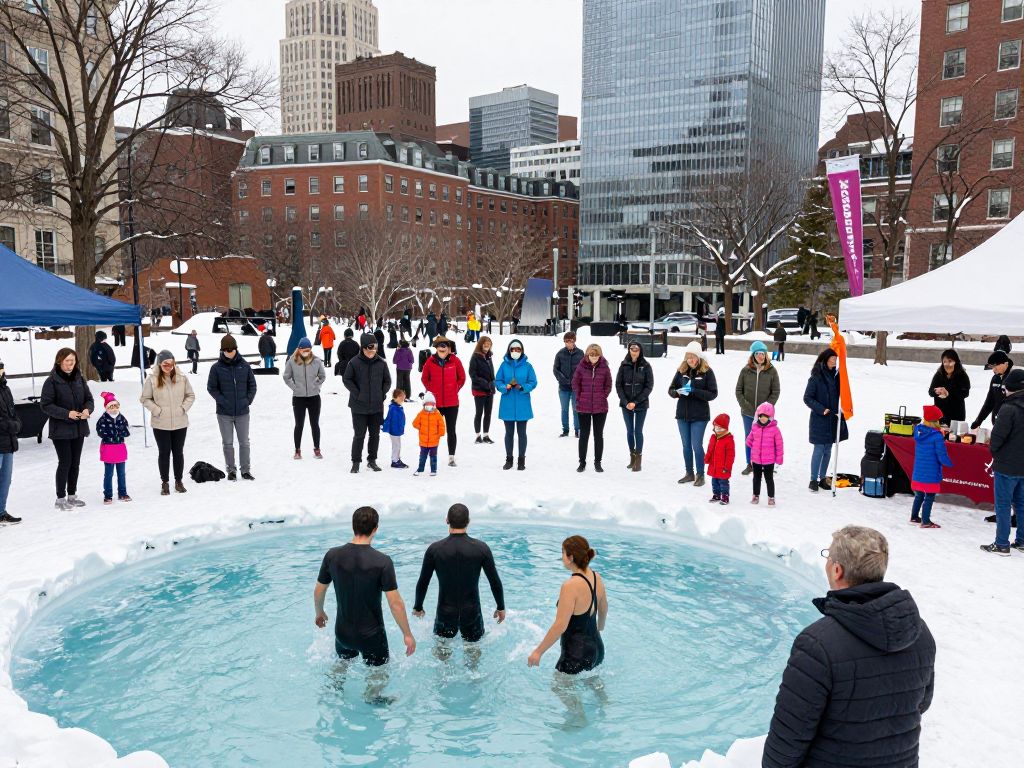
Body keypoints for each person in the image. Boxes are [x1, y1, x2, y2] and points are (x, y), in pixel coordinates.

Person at [763, 526, 935, 768]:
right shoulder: (920, 631)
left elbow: (789, 736)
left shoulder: (816, 644)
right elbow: (921, 703)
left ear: (837, 569)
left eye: (828, 556)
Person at [314, 507, 416, 673]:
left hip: (342, 633)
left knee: (340, 668)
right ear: (375, 529)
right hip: (372, 637)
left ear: (353, 526)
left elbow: (319, 590)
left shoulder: (332, 556)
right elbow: (395, 604)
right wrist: (407, 634)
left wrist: (319, 613)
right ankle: (374, 699)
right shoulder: (383, 562)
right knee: (377, 677)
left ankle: (332, 691)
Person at [412, 503, 505, 648]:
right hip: (472, 612)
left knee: (442, 654)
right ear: (468, 521)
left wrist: (418, 607)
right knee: (473, 654)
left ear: (447, 520)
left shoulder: (434, 550)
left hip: (445, 612)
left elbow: (423, 582)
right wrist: (500, 607)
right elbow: (494, 582)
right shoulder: (482, 548)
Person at [527, 535, 607, 674]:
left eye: (562, 552)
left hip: (576, 655)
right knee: (595, 686)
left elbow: (560, 626)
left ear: (570, 558)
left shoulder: (570, 586)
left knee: (560, 691)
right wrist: (599, 629)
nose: (562, 557)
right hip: (597, 648)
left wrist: (538, 652)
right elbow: (604, 608)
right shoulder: (596, 577)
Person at [40, 348, 94, 510]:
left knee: (75, 463)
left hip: (79, 428)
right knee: (65, 462)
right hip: (61, 429)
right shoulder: (51, 381)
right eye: (67, 361)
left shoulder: (79, 378)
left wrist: (87, 410)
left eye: (73, 361)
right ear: (59, 361)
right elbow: (46, 405)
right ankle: (60, 498)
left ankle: (72, 495)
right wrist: (66, 414)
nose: (70, 364)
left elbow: (89, 399)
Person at [981, 367, 1024, 555]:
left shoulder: (1008, 409)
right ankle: (1021, 541)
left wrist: (995, 452)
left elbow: (997, 439)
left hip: (1007, 465)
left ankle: (1002, 544)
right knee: (1021, 504)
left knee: (1004, 505)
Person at [140, 350, 195, 494]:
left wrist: (183, 409)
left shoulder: (182, 378)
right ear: (159, 363)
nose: (169, 366)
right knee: (164, 452)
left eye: (171, 364)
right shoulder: (152, 379)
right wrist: (157, 410)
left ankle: (179, 481)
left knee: (178, 452)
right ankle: (165, 482)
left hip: (180, 422)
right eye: (165, 364)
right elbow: (145, 398)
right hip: (160, 423)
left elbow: (190, 395)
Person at [207, 334, 257, 481]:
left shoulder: (244, 365)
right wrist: (222, 401)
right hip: (224, 413)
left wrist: (247, 400)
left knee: (244, 442)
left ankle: (245, 470)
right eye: (226, 350)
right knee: (227, 442)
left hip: (242, 411)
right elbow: (212, 388)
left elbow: (252, 385)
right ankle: (231, 470)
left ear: (236, 349)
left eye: (232, 349)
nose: (229, 352)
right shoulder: (216, 368)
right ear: (222, 351)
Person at [669, 341, 718, 487]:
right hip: (682, 415)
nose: (690, 359)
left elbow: (713, 393)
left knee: (697, 445)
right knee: (686, 445)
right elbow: (671, 389)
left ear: (698, 357)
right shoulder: (681, 371)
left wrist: (695, 391)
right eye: (688, 356)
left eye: (693, 356)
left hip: (699, 416)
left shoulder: (707, 371)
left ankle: (700, 474)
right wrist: (677, 393)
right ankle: (689, 473)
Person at [343, 333, 391, 473]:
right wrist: (357, 393)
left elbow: (387, 381)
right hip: (358, 406)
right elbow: (347, 379)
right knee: (359, 435)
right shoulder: (354, 362)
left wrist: (381, 393)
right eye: (369, 350)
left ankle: (372, 460)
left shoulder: (381, 363)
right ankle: (356, 461)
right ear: (363, 349)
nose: (372, 353)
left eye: (374, 350)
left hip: (376, 406)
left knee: (375, 435)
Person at [804, 348, 848, 492]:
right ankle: (813, 479)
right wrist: (822, 409)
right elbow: (807, 398)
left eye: (836, 359)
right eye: (832, 359)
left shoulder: (836, 376)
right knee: (819, 449)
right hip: (819, 419)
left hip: (833, 419)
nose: (835, 362)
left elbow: (843, 392)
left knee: (828, 449)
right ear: (825, 360)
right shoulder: (816, 377)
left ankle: (822, 478)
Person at [734, 341, 781, 476]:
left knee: (765, 439)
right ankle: (750, 463)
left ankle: (765, 464)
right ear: (753, 355)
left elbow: (775, 391)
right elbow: (738, 390)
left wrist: (766, 409)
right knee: (750, 438)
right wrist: (745, 406)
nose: (761, 356)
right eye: (758, 353)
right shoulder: (745, 370)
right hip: (748, 413)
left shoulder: (771, 371)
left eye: (763, 354)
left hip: (765, 415)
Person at [420, 336, 466, 467]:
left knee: (451, 430)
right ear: (436, 348)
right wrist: (431, 389)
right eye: (439, 346)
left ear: (449, 348)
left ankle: (451, 457)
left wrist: (455, 388)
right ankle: (432, 455)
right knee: (433, 430)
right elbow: (424, 378)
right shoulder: (430, 361)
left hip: (452, 403)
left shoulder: (455, 361)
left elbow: (462, 378)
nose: (442, 348)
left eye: (444, 346)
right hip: (436, 404)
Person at [495, 339, 537, 471]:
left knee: (522, 433)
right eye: (513, 349)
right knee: (509, 433)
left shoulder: (528, 366)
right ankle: (509, 459)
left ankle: (521, 460)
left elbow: (533, 382)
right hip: (507, 404)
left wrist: (522, 387)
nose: (515, 352)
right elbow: (498, 380)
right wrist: (504, 387)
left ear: (522, 350)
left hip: (522, 404)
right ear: (509, 350)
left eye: (518, 349)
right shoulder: (503, 365)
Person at [909, 405, 953, 529]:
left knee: (919, 495)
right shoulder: (937, 436)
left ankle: (914, 516)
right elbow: (941, 455)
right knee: (929, 496)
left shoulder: (919, 432)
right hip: (931, 472)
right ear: (936, 421)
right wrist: (950, 464)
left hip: (919, 471)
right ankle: (926, 521)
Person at [282, 337, 326, 460]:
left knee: (315, 424)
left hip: (314, 398)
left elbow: (322, 376)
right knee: (299, 424)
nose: (306, 352)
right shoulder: (292, 361)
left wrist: (316, 385)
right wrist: (295, 387)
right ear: (299, 350)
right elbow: (286, 377)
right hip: (299, 398)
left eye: (308, 350)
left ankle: (317, 449)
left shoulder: (316, 361)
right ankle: (297, 450)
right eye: (304, 350)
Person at [572, 343, 612, 473]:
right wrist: (580, 396)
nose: (594, 357)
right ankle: (582, 462)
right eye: (591, 355)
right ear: (587, 355)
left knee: (598, 435)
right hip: (583, 406)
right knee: (584, 435)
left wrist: (603, 396)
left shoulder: (605, 367)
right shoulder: (581, 367)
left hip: (600, 407)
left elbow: (608, 384)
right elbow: (575, 383)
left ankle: (597, 462)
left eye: (596, 355)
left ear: (600, 355)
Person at [616, 341, 653, 472]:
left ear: (640, 351)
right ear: (629, 350)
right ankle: (632, 456)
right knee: (629, 431)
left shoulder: (646, 365)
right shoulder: (624, 364)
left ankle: (638, 459)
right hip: (626, 404)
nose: (634, 351)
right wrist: (626, 402)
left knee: (638, 431)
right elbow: (618, 385)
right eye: (632, 349)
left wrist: (636, 402)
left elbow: (649, 386)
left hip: (641, 403)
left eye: (636, 349)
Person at [95, 392, 131, 504]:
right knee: (109, 474)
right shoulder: (103, 419)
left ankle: (122, 493)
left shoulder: (121, 418)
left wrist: (120, 432)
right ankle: (108, 495)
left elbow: (126, 432)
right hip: (109, 448)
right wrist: (112, 433)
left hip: (120, 447)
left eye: (116, 406)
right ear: (107, 408)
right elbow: (100, 431)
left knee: (121, 473)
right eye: (111, 406)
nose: (114, 409)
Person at [747, 402, 784, 506]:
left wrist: (779, 458)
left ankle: (771, 497)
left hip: (769, 460)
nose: (763, 418)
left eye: (766, 416)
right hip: (756, 459)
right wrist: (752, 442)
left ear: (770, 417)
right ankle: (755, 495)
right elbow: (749, 441)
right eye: (761, 416)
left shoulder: (775, 430)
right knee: (756, 478)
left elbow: (779, 445)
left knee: (769, 479)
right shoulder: (755, 428)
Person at [0, 361, 22, 525]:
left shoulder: (5, 389)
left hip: (8, 442)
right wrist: (9, 425)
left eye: (1, 368)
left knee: (5, 479)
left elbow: (12, 412)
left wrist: (17, 423)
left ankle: (1, 511)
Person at [970, 350, 1014, 429]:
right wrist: (978, 420)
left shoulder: (1015, 377)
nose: (993, 370)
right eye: (992, 367)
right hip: (997, 422)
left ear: (1005, 363)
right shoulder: (995, 378)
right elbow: (989, 402)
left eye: (995, 366)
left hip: (1013, 424)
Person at [927, 349, 971, 424]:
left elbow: (965, 393)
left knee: (954, 435)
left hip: (956, 415)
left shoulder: (962, 375)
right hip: (940, 415)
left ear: (955, 361)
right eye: (945, 362)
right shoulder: (939, 374)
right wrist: (937, 392)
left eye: (950, 361)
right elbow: (931, 392)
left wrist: (948, 393)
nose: (947, 364)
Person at [553, 332, 584, 438]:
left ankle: (577, 430)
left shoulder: (580, 354)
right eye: (566, 341)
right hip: (563, 388)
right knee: (564, 409)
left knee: (576, 409)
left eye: (570, 341)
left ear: (574, 341)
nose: (568, 343)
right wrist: (562, 379)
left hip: (576, 388)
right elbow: (555, 369)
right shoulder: (560, 353)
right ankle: (565, 430)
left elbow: (584, 369)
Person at [469, 336, 496, 444]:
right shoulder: (475, 357)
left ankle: (486, 435)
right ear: (480, 344)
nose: (487, 345)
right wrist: (484, 383)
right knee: (479, 412)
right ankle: (478, 436)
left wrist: (493, 383)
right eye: (485, 343)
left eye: (489, 343)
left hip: (489, 390)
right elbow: (472, 374)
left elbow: (491, 373)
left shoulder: (489, 356)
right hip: (479, 389)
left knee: (488, 413)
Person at [411, 391, 445, 477]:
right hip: (423, 441)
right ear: (424, 405)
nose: (429, 407)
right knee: (422, 456)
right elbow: (414, 423)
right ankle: (420, 469)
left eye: (431, 405)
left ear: (434, 405)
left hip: (434, 441)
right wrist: (420, 427)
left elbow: (441, 425)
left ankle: (433, 469)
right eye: (427, 406)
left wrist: (440, 433)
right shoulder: (421, 414)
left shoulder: (437, 414)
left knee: (433, 456)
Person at [704, 413, 735, 505]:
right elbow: (710, 450)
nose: (718, 430)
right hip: (714, 465)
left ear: (725, 429)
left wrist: (727, 467)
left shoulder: (728, 440)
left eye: (720, 428)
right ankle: (716, 494)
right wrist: (706, 458)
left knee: (723, 482)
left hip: (723, 468)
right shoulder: (713, 438)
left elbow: (730, 456)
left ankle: (725, 496)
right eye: (716, 427)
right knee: (714, 481)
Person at [382, 388, 408, 469]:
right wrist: (385, 427)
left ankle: (397, 459)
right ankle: (395, 461)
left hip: (398, 430)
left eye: (403, 399)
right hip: (394, 431)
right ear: (396, 397)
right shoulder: (393, 408)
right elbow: (389, 418)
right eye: (401, 399)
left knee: (398, 445)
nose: (403, 400)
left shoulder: (398, 407)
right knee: (396, 446)